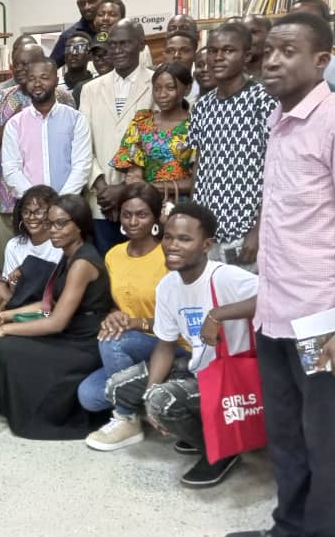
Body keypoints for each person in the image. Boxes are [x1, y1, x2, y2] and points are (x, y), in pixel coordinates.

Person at [224, 11, 335, 537]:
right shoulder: (280, 118)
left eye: (288, 51)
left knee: (325, 436)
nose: (271, 60)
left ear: (322, 62)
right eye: (267, 50)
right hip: (277, 310)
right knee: (285, 432)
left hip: (322, 318)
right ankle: (287, 528)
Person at [97, 203, 258, 486]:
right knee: (118, 387)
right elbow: (164, 345)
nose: (172, 245)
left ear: (206, 245)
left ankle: (221, 451)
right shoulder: (168, 285)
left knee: (164, 401)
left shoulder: (224, 276)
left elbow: (274, 296)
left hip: (233, 377)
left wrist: (218, 314)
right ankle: (201, 430)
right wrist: (147, 395)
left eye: (185, 239)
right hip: (197, 370)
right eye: (169, 237)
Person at [0, 194, 111, 440]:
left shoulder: (83, 262)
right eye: (50, 224)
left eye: (61, 223)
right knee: (1, 345)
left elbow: (55, 321)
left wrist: (6, 329)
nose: (53, 230)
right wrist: (5, 316)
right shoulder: (70, 253)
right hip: (72, 330)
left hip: (85, 341)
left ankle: (41, 415)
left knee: (6, 345)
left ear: (79, 225)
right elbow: (49, 303)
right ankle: (18, 407)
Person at [79, 183, 169, 445]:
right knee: (89, 395)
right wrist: (113, 315)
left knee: (113, 340)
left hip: (167, 343)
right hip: (133, 347)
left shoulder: (169, 255)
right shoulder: (114, 255)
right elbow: (114, 303)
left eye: (142, 215)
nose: (133, 221)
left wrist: (134, 323)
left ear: (155, 217)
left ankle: (127, 418)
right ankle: (148, 393)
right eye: (127, 214)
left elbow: (182, 321)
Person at [188, 22, 275, 269]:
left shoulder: (264, 100)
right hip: (209, 230)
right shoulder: (203, 105)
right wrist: (195, 219)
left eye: (228, 50)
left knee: (247, 304)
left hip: (246, 231)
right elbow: (200, 166)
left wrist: (258, 229)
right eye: (213, 50)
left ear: (246, 55)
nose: (218, 57)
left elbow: (277, 169)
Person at [0, 42, 75, 266]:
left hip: (55, 198)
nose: (23, 70)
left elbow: (73, 149)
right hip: (8, 200)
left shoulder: (64, 99)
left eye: (29, 64)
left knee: (54, 263)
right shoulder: (1, 99)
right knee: (10, 263)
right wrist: (11, 124)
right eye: (18, 65)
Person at [79, 19, 155, 256]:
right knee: (106, 271)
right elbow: (82, 144)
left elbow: (162, 145)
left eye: (125, 44)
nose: (118, 50)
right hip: (100, 202)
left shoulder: (158, 84)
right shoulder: (90, 89)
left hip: (143, 200)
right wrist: (103, 188)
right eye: (113, 45)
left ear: (141, 45)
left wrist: (125, 189)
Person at [1, 57, 93, 203]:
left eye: (44, 78)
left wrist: (61, 201)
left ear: (56, 81)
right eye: (31, 79)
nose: (37, 84)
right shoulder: (14, 124)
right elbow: (11, 168)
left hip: (68, 206)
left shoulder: (76, 119)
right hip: (30, 207)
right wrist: (35, 201)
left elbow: (81, 166)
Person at [112, 62, 195, 197]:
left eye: (170, 88)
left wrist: (150, 187)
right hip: (146, 205)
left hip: (183, 209)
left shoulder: (196, 126)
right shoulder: (141, 123)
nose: (162, 94)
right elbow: (134, 173)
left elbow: (198, 180)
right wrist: (136, 179)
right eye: (156, 89)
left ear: (187, 89)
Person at [0, 185, 62, 304]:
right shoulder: (14, 245)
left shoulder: (61, 244)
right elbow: (13, 291)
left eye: (38, 212)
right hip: (21, 307)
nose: (31, 217)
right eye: (26, 212)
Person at [50, 0, 103, 67]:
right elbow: (50, 68)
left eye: (92, 1)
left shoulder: (114, 30)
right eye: (82, 3)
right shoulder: (68, 36)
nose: (87, 7)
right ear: (78, 5)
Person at [0, 34, 38, 99]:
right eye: (16, 64)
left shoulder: (47, 90)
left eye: (24, 63)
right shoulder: (0, 92)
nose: (18, 69)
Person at [163, 30, 201, 104]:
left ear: (195, 55)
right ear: (164, 55)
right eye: (170, 51)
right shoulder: (151, 87)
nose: (176, 55)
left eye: (184, 50)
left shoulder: (205, 87)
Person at [63, 31, 96, 102]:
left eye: (80, 48)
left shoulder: (97, 85)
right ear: (64, 56)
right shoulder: (55, 87)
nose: (74, 53)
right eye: (69, 49)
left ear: (90, 55)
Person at [242, 14, 273, 80]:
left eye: (254, 32)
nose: (247, 37)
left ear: (270, 34)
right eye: (243, 33)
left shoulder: (280, 72)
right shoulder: (231, 73)